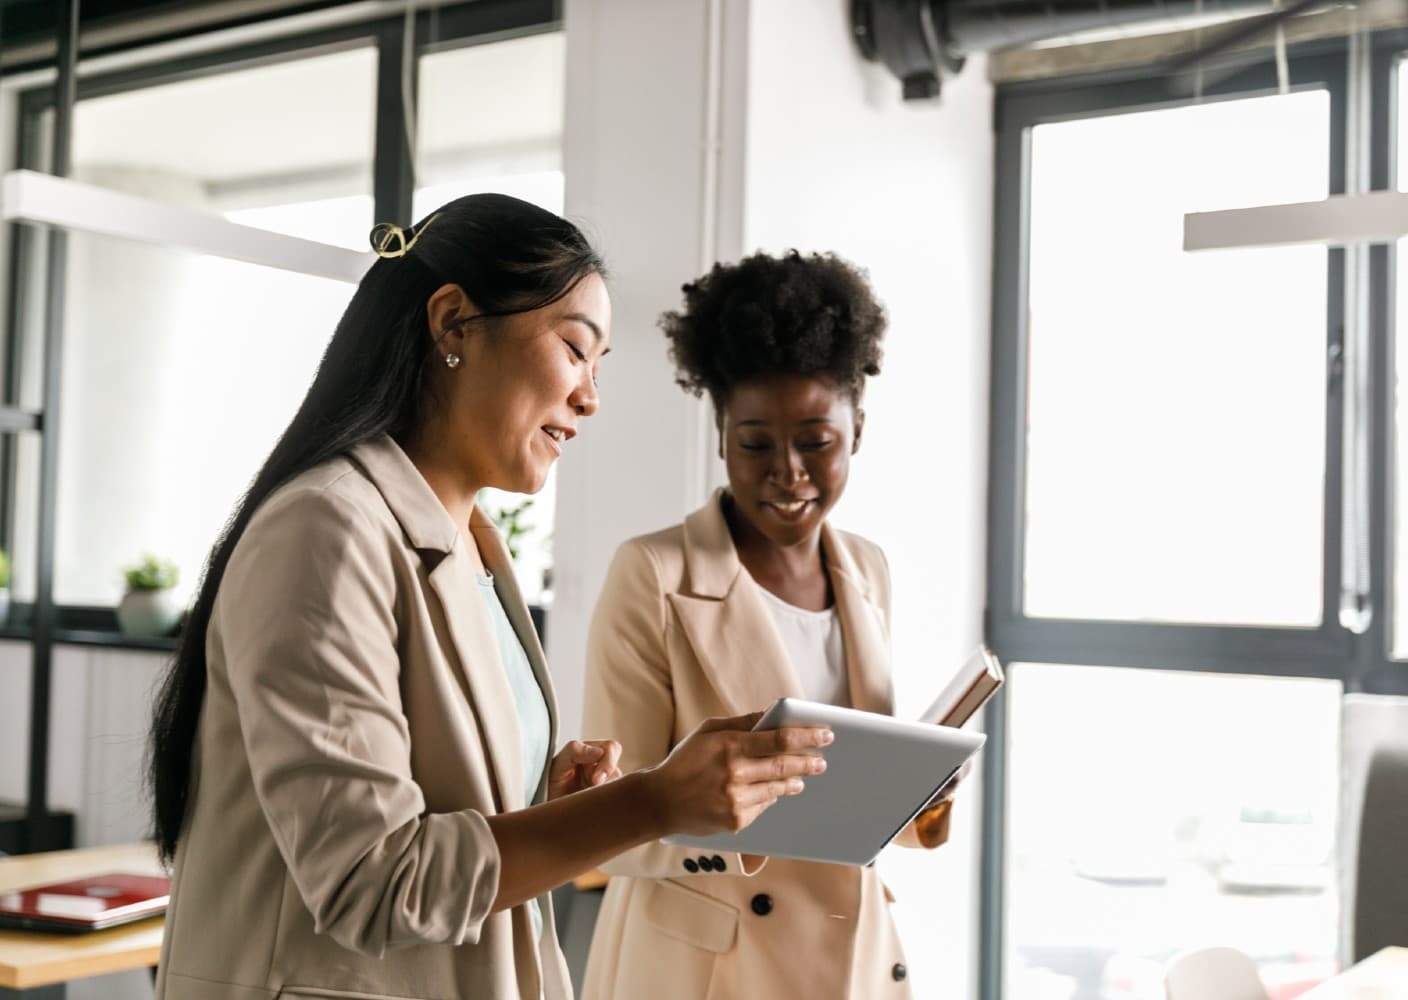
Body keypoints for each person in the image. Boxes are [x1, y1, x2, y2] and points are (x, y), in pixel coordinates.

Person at [147, 196, 832, 1000]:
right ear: (452, 325)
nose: (590, 398)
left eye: (600, 366)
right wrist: (651, 802)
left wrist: (547, 796)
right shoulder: (325, 529)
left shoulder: (471, 545)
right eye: (576, 350)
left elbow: (441, 802)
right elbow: (373, 880)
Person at [580, 250, 958, 1000]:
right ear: (722, 436)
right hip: (710, 970)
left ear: (858, 430)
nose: (788, 471)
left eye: (817, 441)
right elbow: (608, 824)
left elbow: (853, 790)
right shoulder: (652, 575)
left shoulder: (868, 570)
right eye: (756, 443)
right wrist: (741, 819)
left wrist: (918, 795)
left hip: (852, 960)